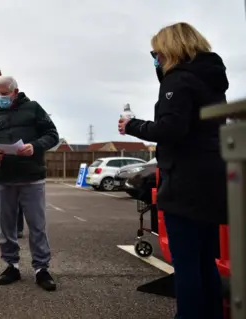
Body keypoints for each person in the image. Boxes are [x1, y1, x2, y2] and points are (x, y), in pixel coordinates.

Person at [118, 22, 228, 319]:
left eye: (156, 53)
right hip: (213, 179)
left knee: (187, 265)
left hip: (185, 181)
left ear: (170, 49)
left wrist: (133, 126)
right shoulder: (211, 80)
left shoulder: (178, 80)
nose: (155, 59)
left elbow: (172, 129)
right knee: (206, 260)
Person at [0, 75, 59, 291]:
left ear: (15, 92)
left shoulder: (34, 109)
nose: (0, 98)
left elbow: (53, 135)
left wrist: (35, 146)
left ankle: (41, 269)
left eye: (4, 94)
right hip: (4, 178)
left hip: (31, 177)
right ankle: (11, 265)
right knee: (6, 226)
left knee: (37, 225)